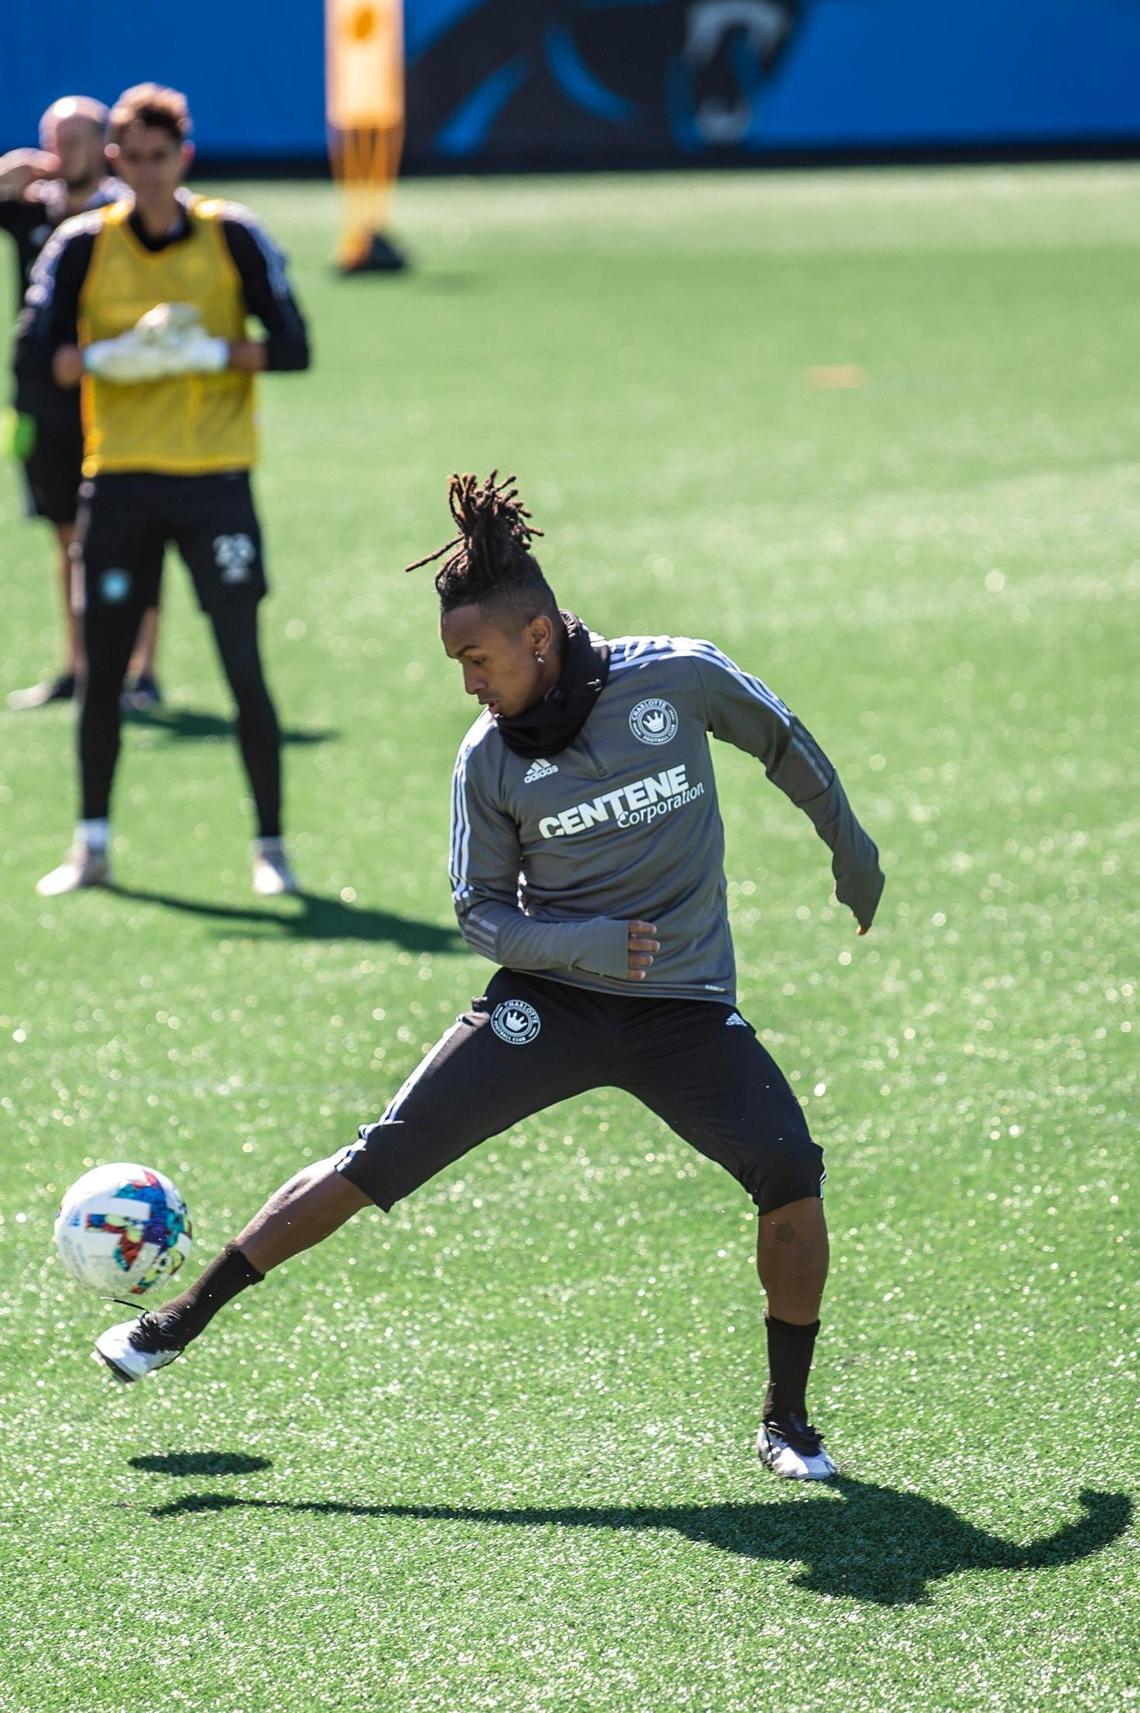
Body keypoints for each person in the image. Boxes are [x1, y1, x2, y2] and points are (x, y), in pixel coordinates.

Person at [94, 472, 885, 1482]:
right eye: (455, 662)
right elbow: (480, 913)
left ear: (540, 635)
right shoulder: (488, 760)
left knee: (790, 1173)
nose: (467, 680)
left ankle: (788, 1422)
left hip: (682, 1011)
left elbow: (782, 739)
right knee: (380, 1157)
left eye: (477, 657)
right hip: (548, 1005)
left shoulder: (677, 679)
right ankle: (176, 1321)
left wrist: (849, 846)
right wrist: (584, 946)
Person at [17, 84, 311, 898]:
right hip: (118, 482)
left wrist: (211, 354)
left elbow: (292, 345)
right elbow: (32, 356)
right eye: (132, 159)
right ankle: (91, 844)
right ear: (115, 162)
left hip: (215, 482)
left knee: (242, 664)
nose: (147, 174)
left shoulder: (232, 236)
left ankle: (271, 845)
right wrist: (113, 358)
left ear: (183, 158)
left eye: (161, 158)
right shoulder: (80, 245)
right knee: (102, 670)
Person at [1, 96, 162, 711]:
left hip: (115, 397)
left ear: (105, 146)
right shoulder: (31, 210)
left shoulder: (122, 215)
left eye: (76, 138)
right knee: (65, 535)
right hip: (43, 401)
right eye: (53, 138)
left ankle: (141, 672)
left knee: (135, 533)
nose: (63, 151)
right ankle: (81, 665)